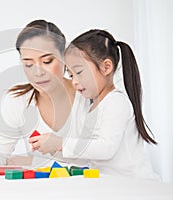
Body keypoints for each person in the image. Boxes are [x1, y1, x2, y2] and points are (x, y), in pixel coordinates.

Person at [29, 29, 160, 180]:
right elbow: (88, 156)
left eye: (79, 72)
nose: (74, 82)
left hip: (135, 185)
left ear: (106, 67)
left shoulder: (116, 102)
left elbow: (106, 149)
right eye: (71, 75)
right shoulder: (91, 108)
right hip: (112, 186)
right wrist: (55, 149)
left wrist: (60, 143)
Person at [0, 19, 82, 171]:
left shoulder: (89, 95)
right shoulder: (18, 101)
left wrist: (31, 160)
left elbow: (103, 155)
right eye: (28, 64)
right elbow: (1, 156)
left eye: (47, 61)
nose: (38, 72)